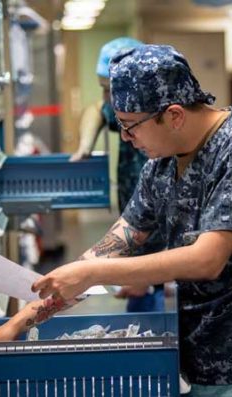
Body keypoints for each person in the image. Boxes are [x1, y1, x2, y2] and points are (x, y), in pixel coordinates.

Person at [0, 44, 232, 396]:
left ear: (175, 115)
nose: (126, 138)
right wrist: (18, 324)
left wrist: (92, 273)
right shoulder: (163, 163)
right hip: (209, 350)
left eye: (132, 126)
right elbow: (113, 247)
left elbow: (206, 259)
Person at [70, 37, 166, 313]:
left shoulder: (170, 142)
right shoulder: (128, 113)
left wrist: (146, 276)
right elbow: (96, 111)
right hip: (141, 248)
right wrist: (85, 147)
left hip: (166, 260)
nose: (105, 100)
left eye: (108, 90)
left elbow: (201, 254)